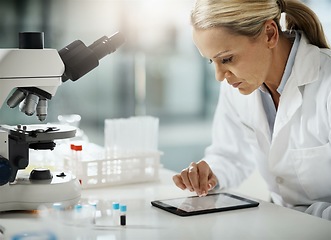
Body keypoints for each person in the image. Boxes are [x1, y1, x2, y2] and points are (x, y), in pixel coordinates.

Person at [172, 0, 331, 220]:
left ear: (269, 34)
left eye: (227, 59)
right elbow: (230, 155)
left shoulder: (327, 85)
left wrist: (301, 223)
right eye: (212, 61)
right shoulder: (238, 85)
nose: (219, 76)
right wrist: (210, 174)